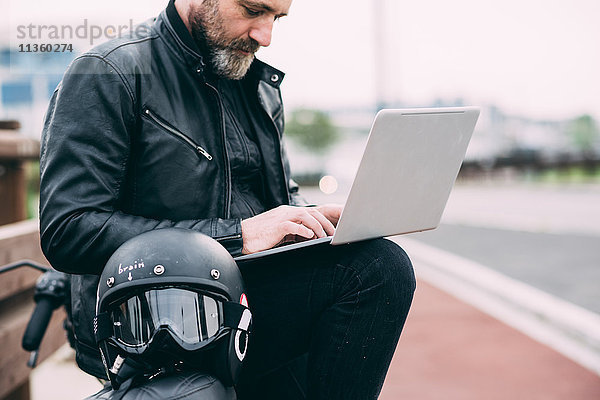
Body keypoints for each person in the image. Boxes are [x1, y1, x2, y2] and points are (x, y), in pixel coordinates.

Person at [39, 0, 416, 398]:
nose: (265, 36)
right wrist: (238, 236)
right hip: (153, 319)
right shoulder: (109, 71)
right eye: (253, 10)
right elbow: (69, 229)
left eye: (276, 18)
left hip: (241, 295)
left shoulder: (257, 86)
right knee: (377, 270)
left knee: (362, 264)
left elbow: (273, 198)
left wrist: (308, 219)